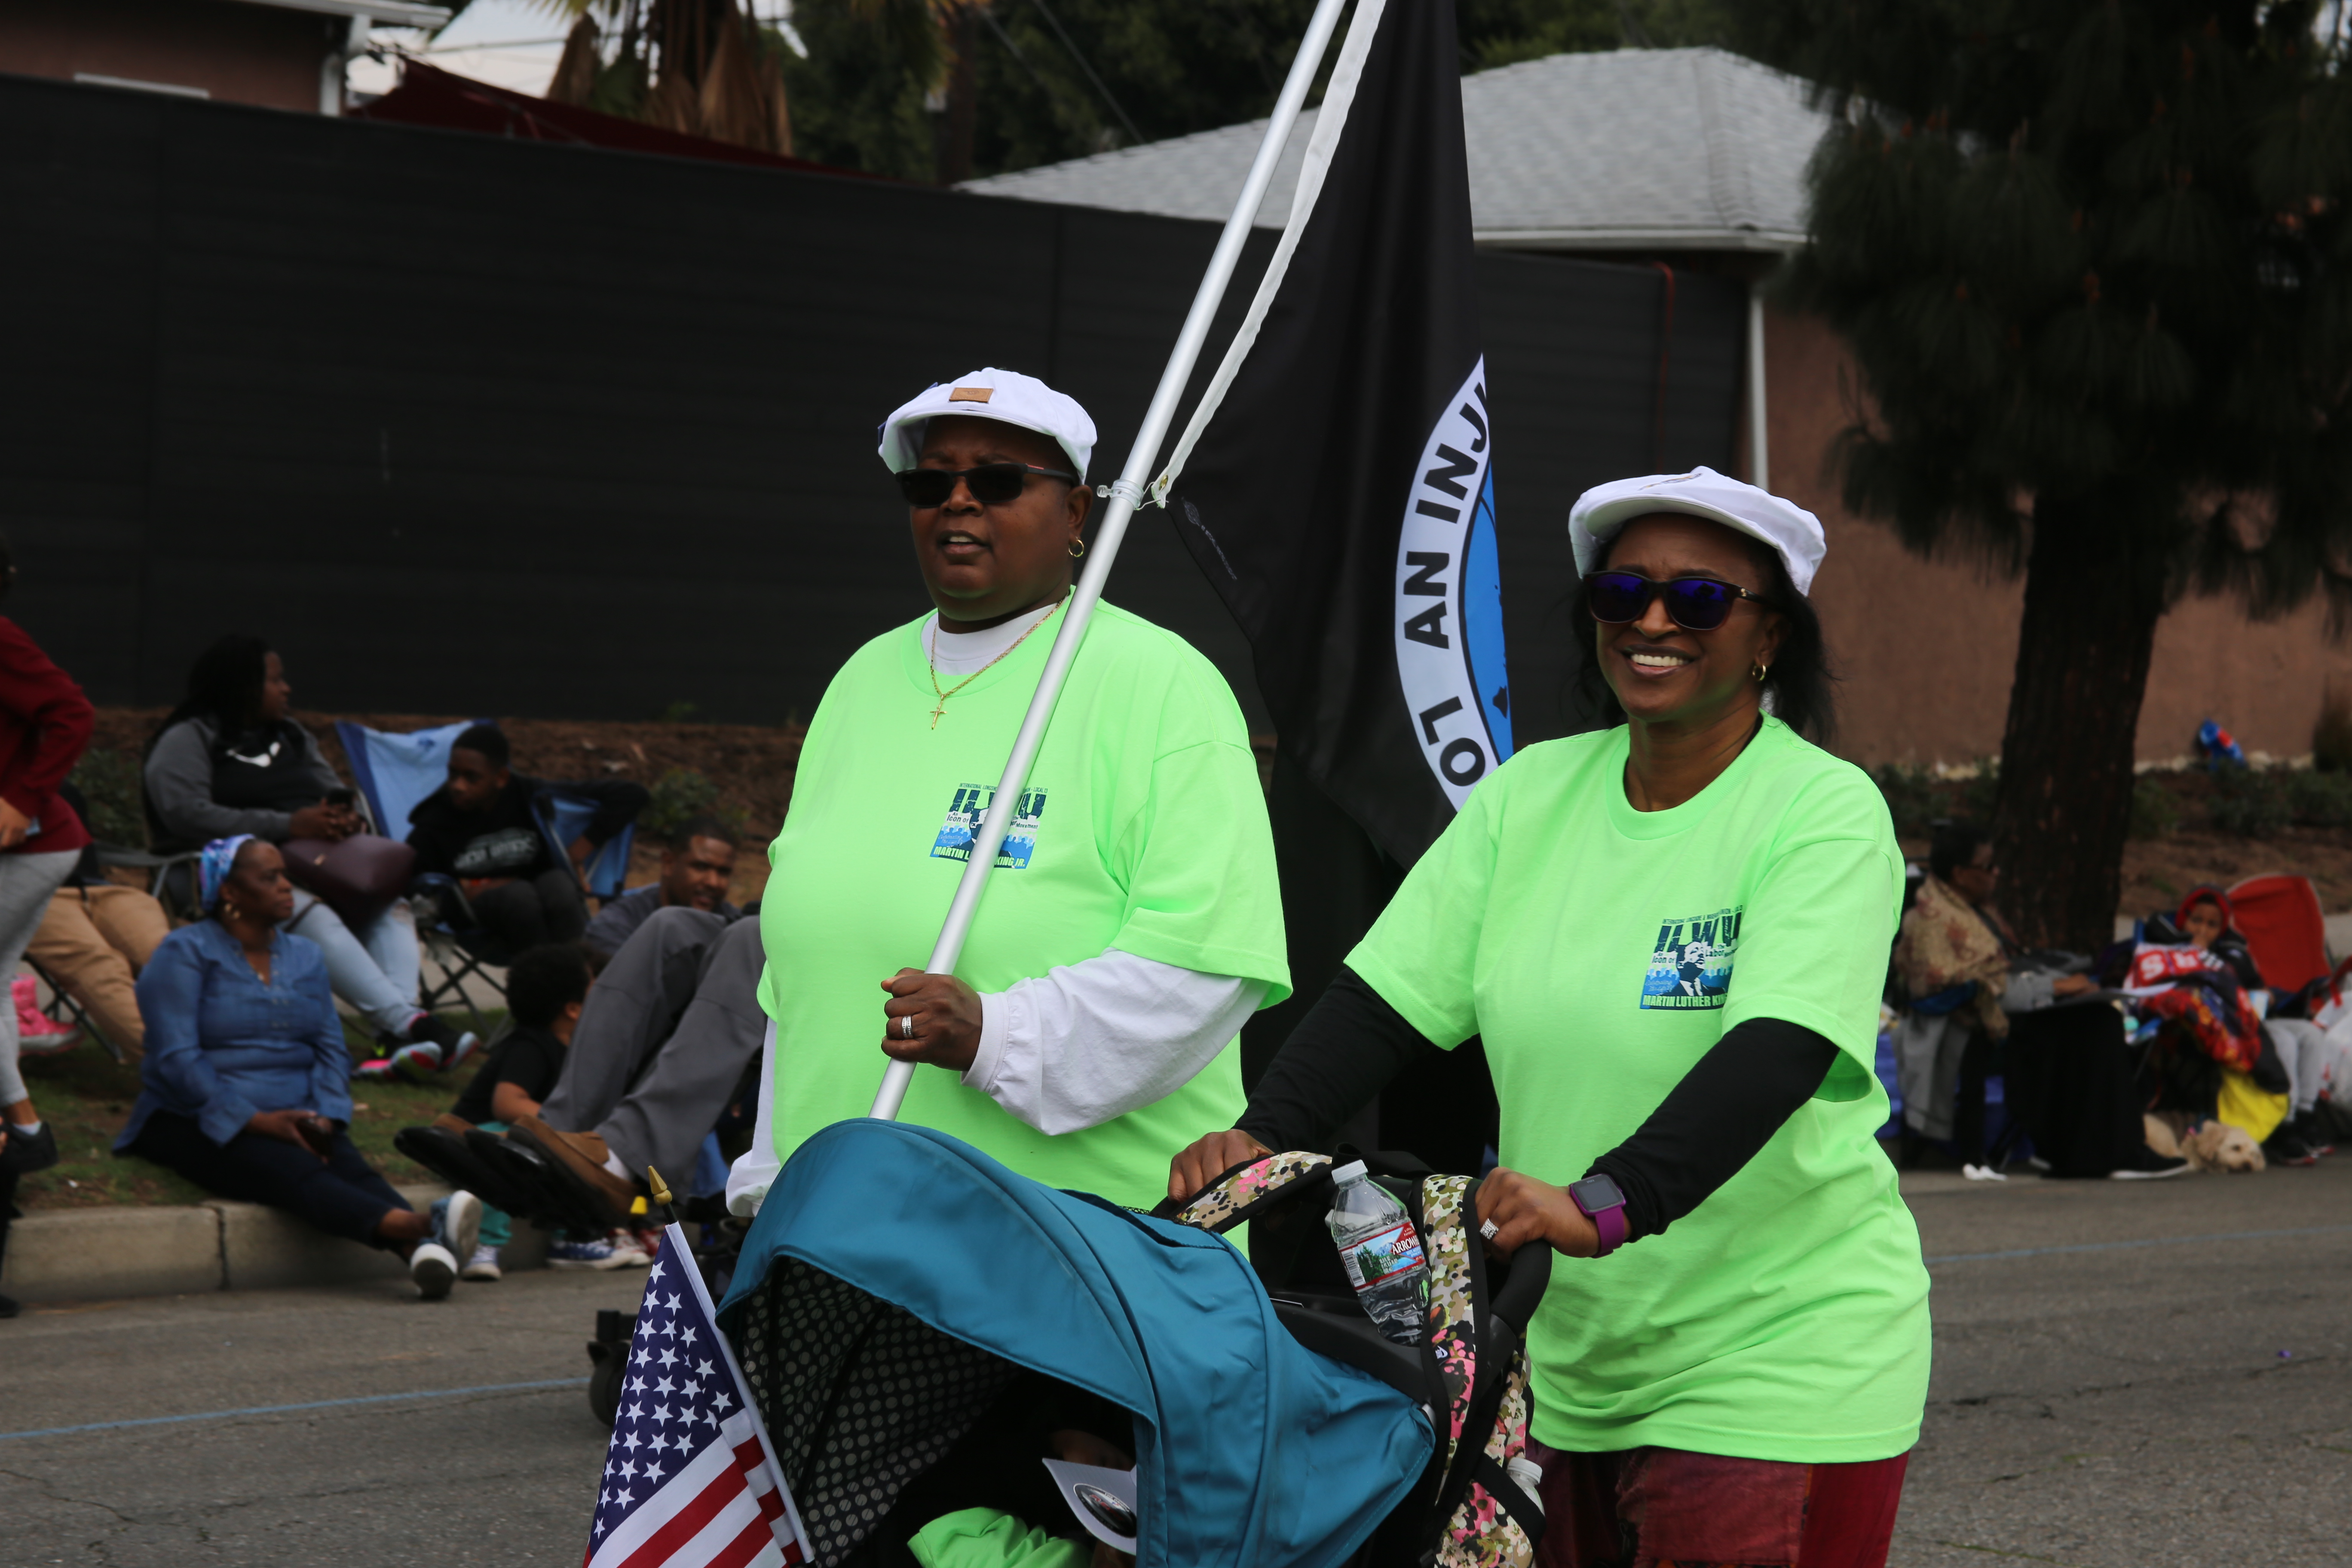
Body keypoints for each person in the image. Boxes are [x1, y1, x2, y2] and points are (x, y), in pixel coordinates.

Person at [1170, 469, 1926, 1567]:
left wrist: (1603, 1202)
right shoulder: (1529, 795)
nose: (1652, 621)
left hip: (1774, 1363)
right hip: (1554, 1364)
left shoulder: (1822, 810)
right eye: (1621, 593)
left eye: (1698, 598)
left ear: (1770, 636)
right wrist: (1262, 1134)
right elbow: (1386, 1002)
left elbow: (1777, 1051)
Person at [492, 369, 1289, 1232]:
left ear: (1075, 514)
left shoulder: (1162, 686)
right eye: (929, 483)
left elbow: (1204, 965)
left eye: (997, 480)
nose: (957, 501)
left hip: (1078, 1252)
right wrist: (767, 1180)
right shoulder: (859, 682)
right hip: (845, 1240)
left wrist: (998, 1034)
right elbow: (802, 975)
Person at [116, 836, 473, 1299]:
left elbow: (331, 1048)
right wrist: (257, 1120)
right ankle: (423, 1227)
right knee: (291, 1169)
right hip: (192, 1116)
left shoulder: (305, 955)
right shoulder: (184, 952)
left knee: (351, 1169)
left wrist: (326, 1115)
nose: (288, 886)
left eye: (286, 875)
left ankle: (422, 1254)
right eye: (270, 878)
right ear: (230, 892)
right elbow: (176, 1057)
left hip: (297, 1111)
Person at [143, 635, 471, 1075]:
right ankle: (412, 1024)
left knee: (390, 905)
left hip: (318, 866)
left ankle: (398, 1037)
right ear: (242, 686)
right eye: (275, 680)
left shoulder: (291, 736)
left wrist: (344, 819)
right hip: (226, 875)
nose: (287, 689)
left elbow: (334, 792)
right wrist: (286, 825)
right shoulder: (189, 739)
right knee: (303, 908)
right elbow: (186, 814)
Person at [432, 942, 636, 1277]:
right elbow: (507, 1103)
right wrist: (562, 1127)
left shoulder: (576, 1049)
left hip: (517, 1136)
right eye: (594, 989)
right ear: (573, 1010)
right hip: (469, 1140)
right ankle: (482, 1245)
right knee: (511, 1154)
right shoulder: (530, 1045)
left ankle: (571, 1238)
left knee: (562, 1159)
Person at [0, 533, 94, 1179]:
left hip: (36, 842)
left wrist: (20, 799)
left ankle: (24, 1129)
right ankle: (26, 1131)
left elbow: (72, 713)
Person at [405, 723, 647, 952]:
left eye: (472, 777)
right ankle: (543, 978)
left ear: (501, 778)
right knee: (519, 897)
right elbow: (413, 886)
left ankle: (576, 974)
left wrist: (577, 853)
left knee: (560, 885)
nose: (458, 786)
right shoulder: (435, 820)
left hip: (537, 894)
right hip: (474, 913)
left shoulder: (529, 795)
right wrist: (456, 896)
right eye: (453, 774)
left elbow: (632, 795)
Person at [2171, 885, 2339, 1164]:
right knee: (2283, 1042)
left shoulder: (2233, 952)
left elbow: (2257, 986)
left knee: (2310, 1033)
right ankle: (2284, 1124)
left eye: (2212, 925)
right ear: (2183, 920)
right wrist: (2196, 958)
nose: (2202, 930)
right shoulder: (2171, 951)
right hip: (2219, 1029)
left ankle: (2305, 1115)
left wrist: (2266, 995)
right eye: (2196, 920)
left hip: (2252, 1019)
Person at [26, 781, 171, 1060]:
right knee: (101, 967)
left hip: (101, 889)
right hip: (35, 896)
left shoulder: (55, 781)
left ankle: (241, 1049)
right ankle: (182, 1066)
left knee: (171, 956)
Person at [581, 815, 739, 959]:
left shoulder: (735, 926)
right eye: (701, 867)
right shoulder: (618, 924)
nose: (713, 882)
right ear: (669, 863)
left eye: (724, 872)